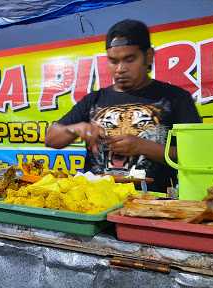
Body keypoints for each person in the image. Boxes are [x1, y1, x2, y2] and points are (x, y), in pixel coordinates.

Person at [45, 19, 201, 192]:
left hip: (153, 206)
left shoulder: (175, 98)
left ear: (148, 56)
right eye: (113, 61)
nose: (120, 69)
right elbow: (51, 139)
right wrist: (76, 129)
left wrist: (143, 146)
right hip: (96, 203)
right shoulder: (94, 100)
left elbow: (198, 156)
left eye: (129, 59)